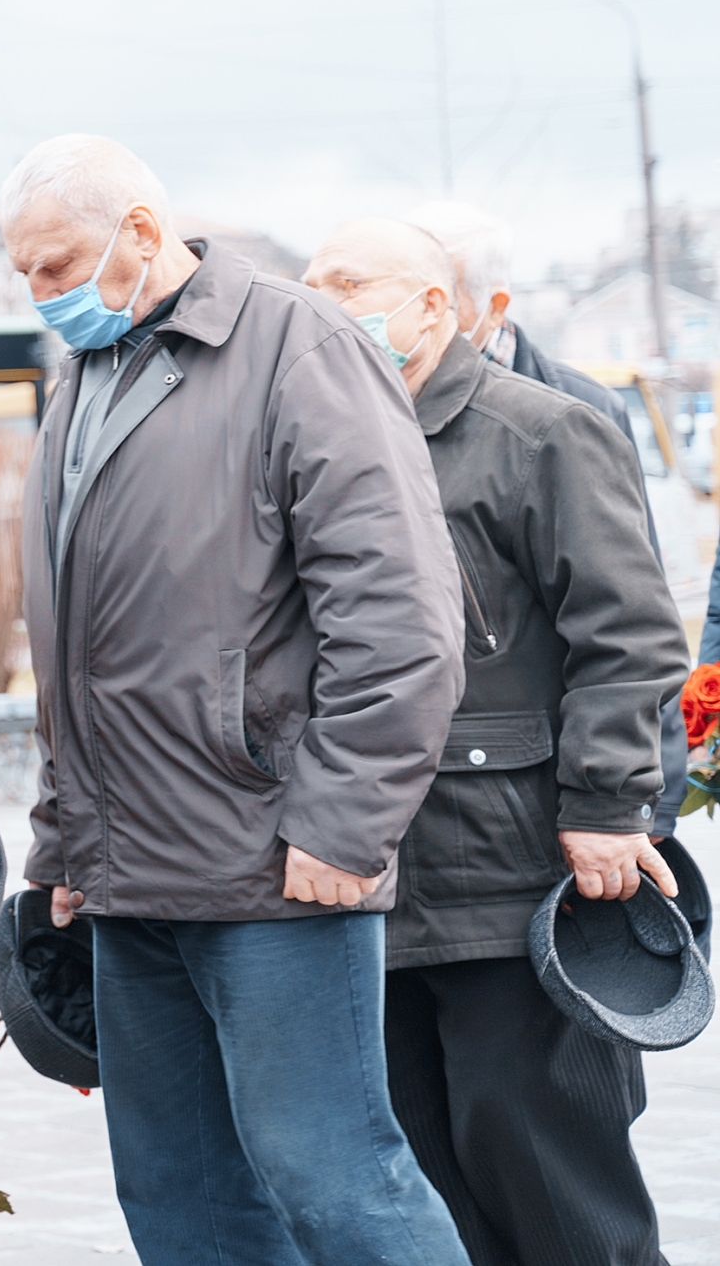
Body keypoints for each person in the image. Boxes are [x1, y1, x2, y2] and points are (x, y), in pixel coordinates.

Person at [1, 134, 470, 1266]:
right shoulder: (92, 377)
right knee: (179, 1195)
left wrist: (343, 821)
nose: (41, 293)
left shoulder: (296, 345)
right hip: (131, 877)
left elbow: (398, 615)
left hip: (273, 865)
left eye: (57, 263)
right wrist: (66, 844)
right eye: (24, 273)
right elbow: (78, 650)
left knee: (331, 1178)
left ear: (143, 232)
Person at [303, 216, 687, 1266]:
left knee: (549, 1175)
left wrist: (608, 806)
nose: (322, 299)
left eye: (350, 279)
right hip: (367, 877)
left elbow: (625, 629)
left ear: (432, 304)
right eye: (310, 281)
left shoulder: (541, 430)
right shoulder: (318, 434)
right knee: (425, 1184)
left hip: (512, 869)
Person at [407, 199, 691, 835]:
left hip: (556, 775)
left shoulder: (572, 411)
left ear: (493, 306)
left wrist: (647, 802)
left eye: (439, 294)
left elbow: (629, 614)